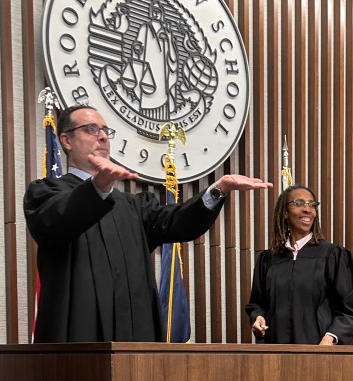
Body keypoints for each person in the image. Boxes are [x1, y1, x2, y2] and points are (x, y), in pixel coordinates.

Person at [24, 104, 271, 343]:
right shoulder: (46, 193)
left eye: (105, 131)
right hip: (78, 334)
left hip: (134, 337)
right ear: (66, 141)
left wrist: (219, 189)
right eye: (91, 129)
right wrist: (97, 187)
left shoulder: (133, 206)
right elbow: (57, 222)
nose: (102, 137)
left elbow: (179, 221)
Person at [246, 185, 353, 345]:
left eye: (312, 205)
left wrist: (331, 337)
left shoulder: (332, 255)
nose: (308, 209)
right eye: (299, 203)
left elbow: (350, 310)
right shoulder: (269, 259)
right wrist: (257, 317)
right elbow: (257, 304)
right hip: (276, 354)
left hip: (319, 353)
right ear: (285, 212)